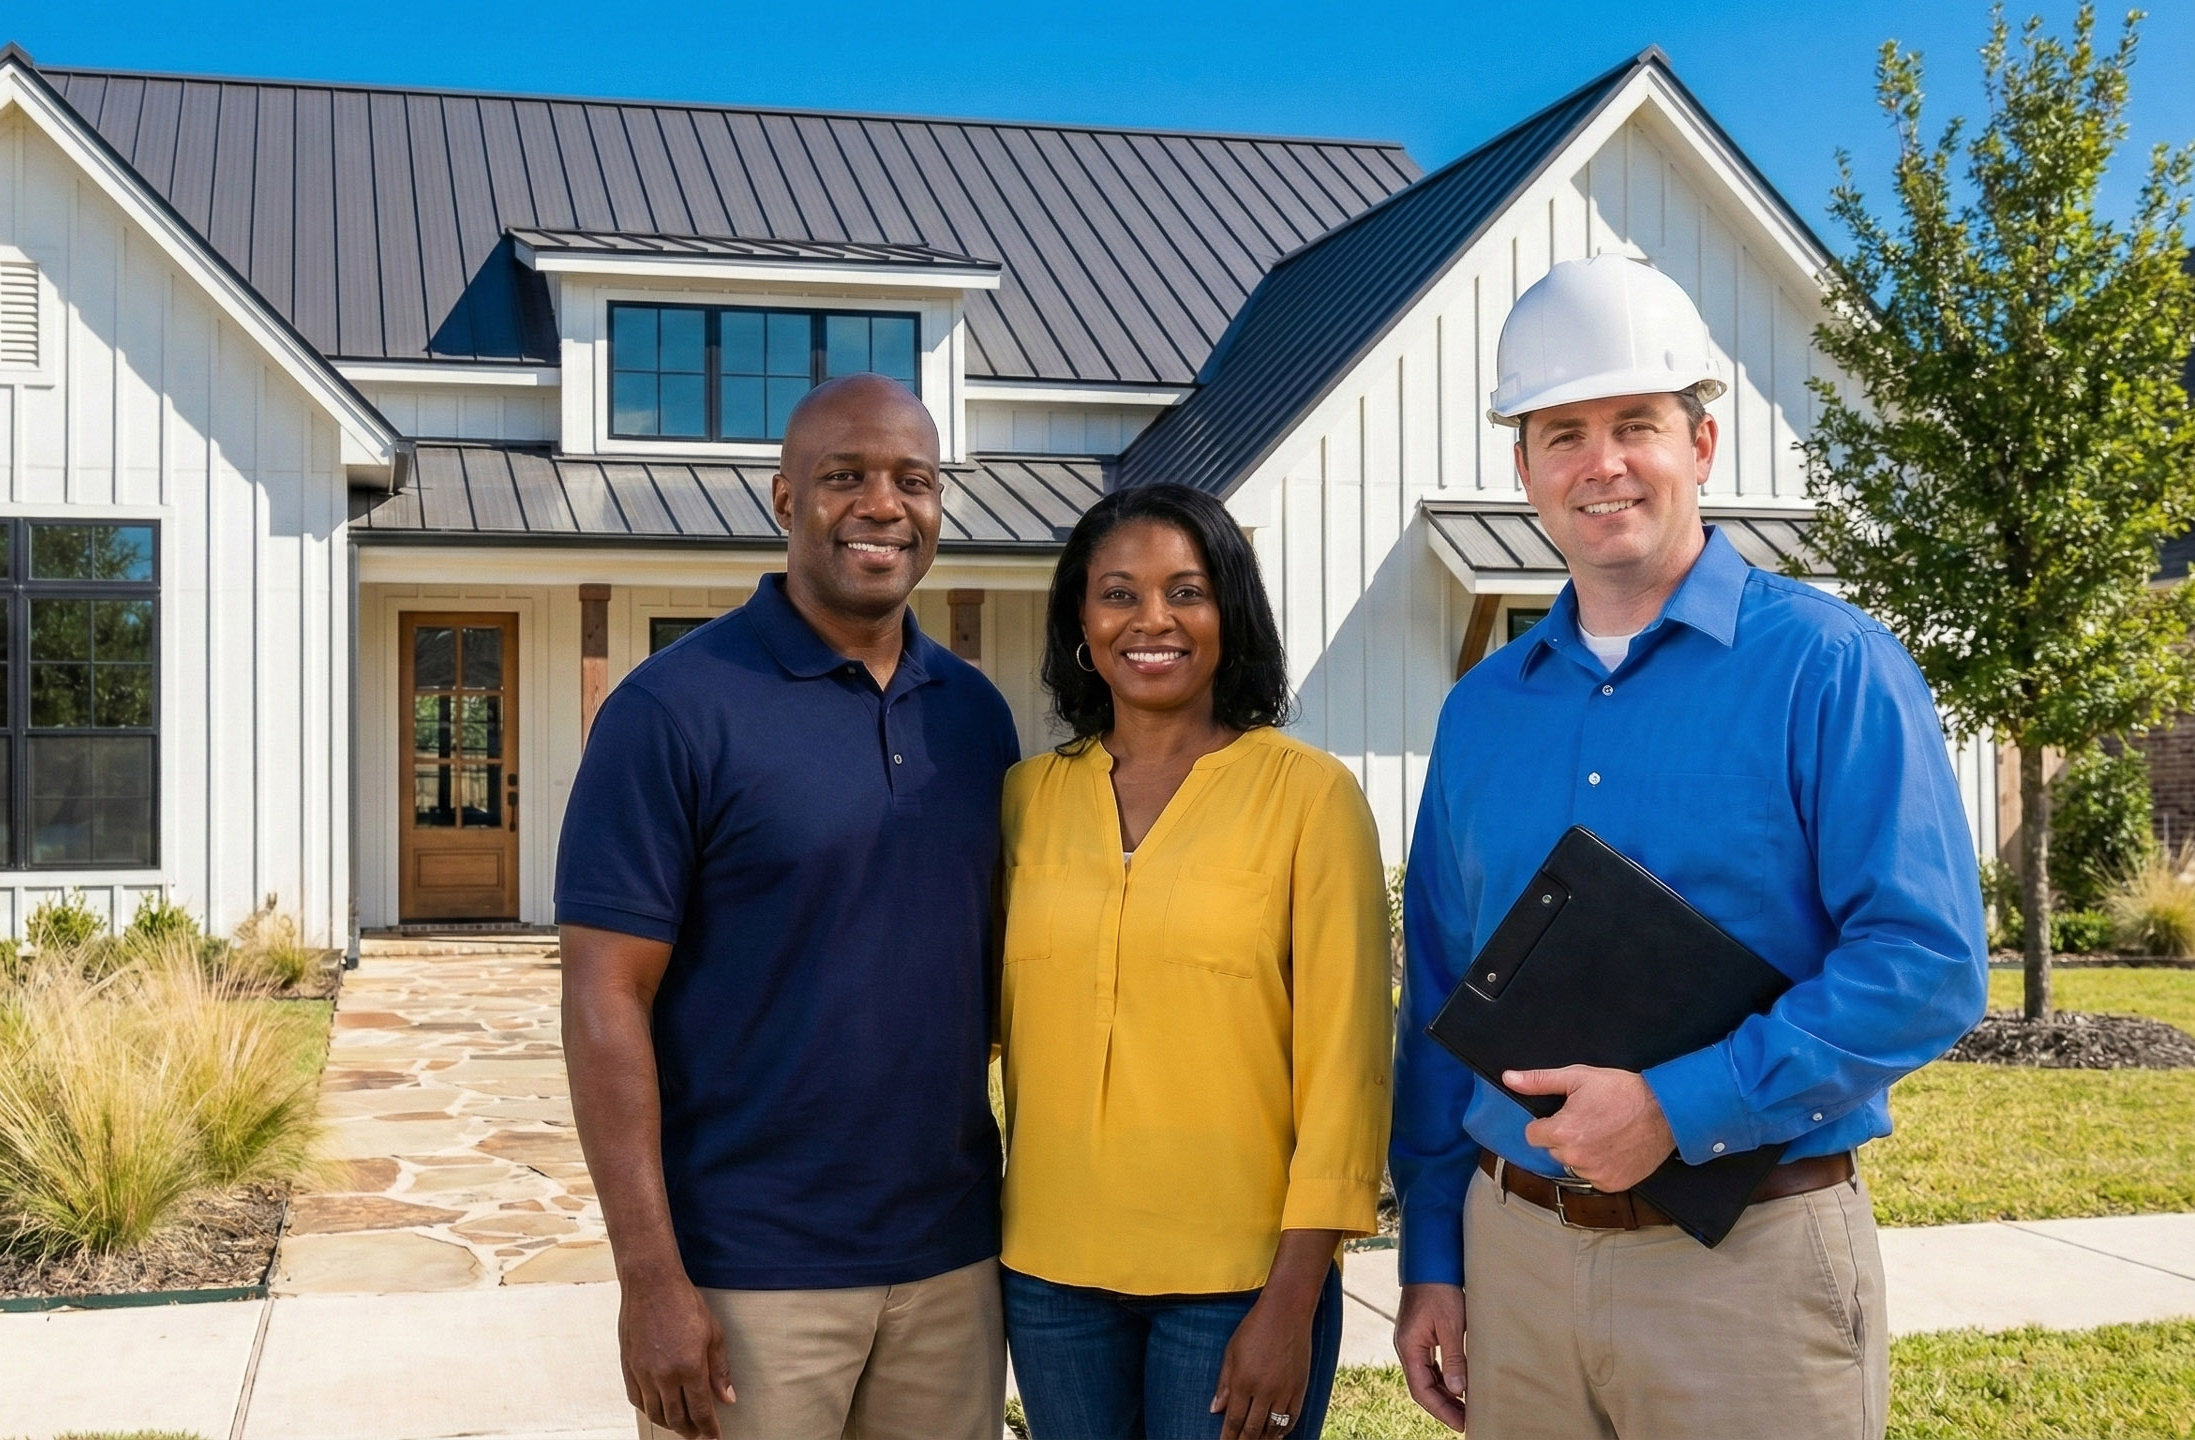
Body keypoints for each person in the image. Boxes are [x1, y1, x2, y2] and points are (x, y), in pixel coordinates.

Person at [1389, 253, 1989, 1440]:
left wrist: (1683, 1104)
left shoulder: (1830, 667)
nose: (1600, 464)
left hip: (1750, 1271)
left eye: (1635, 425)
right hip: (1514, 1264)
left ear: (1701, 447)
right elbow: (1444, 999)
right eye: (1562, 433)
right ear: (1523, 469)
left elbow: (1924, 962)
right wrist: (1435, 1252)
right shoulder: (1483, 711)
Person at [556, 374, 1014, 1440]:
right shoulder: (671, 710)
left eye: (914, 479)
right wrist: (650, 1280)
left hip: (951, 1261)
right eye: (843, 477)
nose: (881, 505)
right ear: (783, 500)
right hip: (746, 1276)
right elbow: (602, 1001)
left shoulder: (977, 719)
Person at [998, 483, 1394, 1440]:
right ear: (1079, 624)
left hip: (1240, 1281)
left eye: (1187, 591)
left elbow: (1347, 1070)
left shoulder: (1310, 798)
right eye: (1118, 593)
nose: (1152, 621)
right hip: (1050, 1277)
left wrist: (1293, 1298)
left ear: (1230, 615)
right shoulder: (1024, 799)